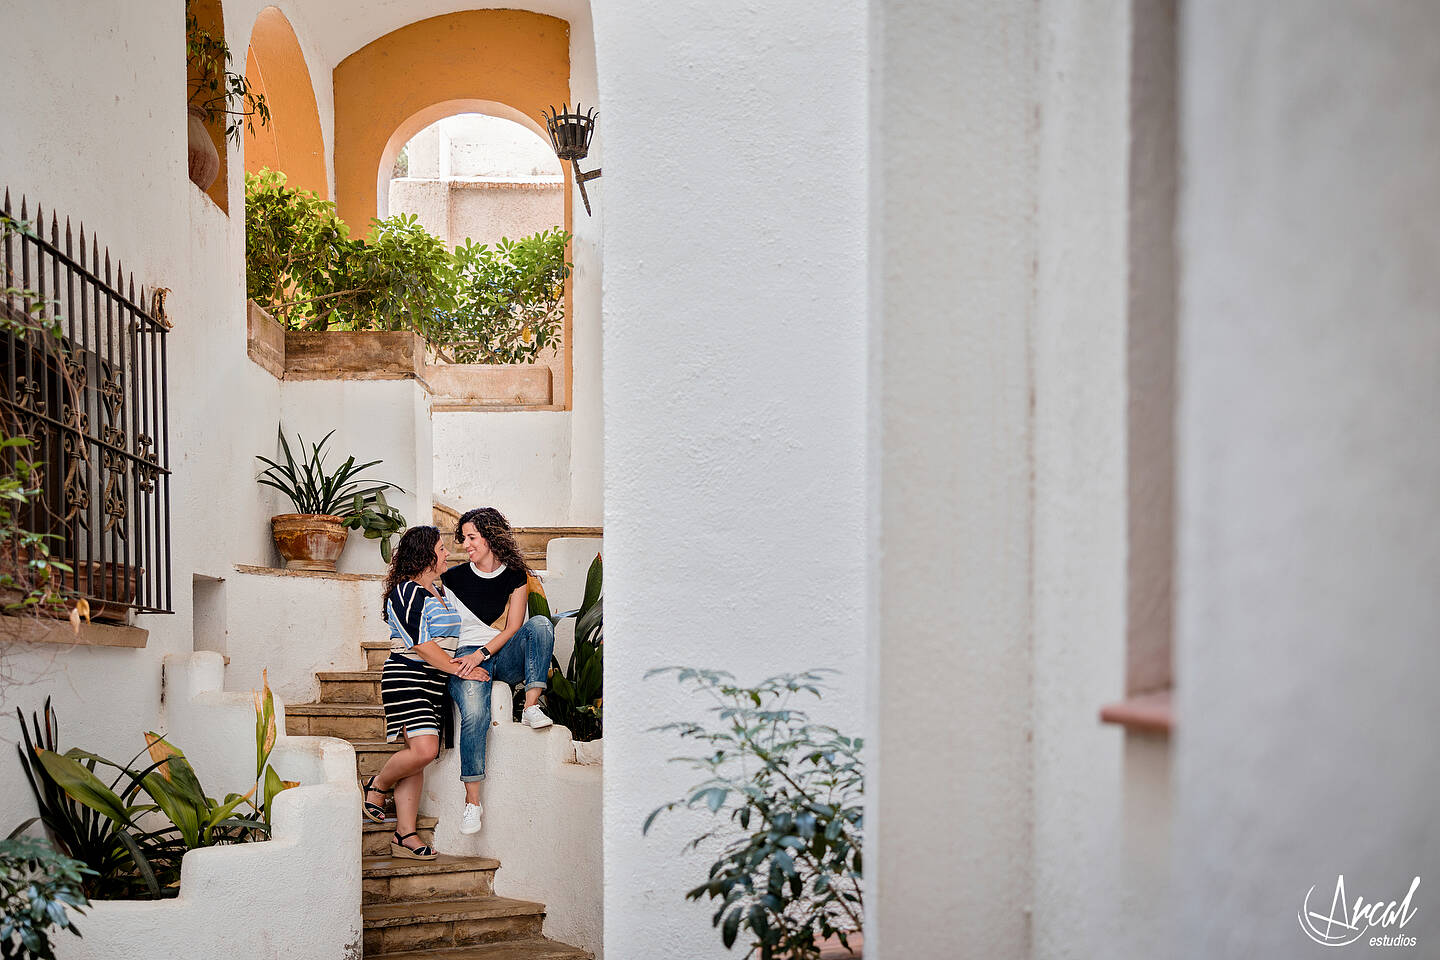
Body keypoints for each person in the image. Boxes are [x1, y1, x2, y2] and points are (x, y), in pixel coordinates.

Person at [442, 506, 556, 836]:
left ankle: (531, 706)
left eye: (472, 537)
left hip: (498, 652)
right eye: (463, 538)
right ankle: (472, 803)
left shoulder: (515, 575)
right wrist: (462, 663)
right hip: (463, 657)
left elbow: (514, 626)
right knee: (476, 714)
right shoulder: (453, 579)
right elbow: (445, 633)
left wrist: (483, 653)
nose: (466, 544)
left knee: (541, 625)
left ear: (490, 536)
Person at [362, 524, 463, 860]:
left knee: (417, 760)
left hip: (434, 683)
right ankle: (378, 784)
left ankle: (404, 834)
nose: (447, 553)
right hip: (407, 676)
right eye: (442, 548)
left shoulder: (441, 591)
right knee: (424, 751)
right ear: (425, 554)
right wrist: (457, 668)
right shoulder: (405, 591)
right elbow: (420, 644)